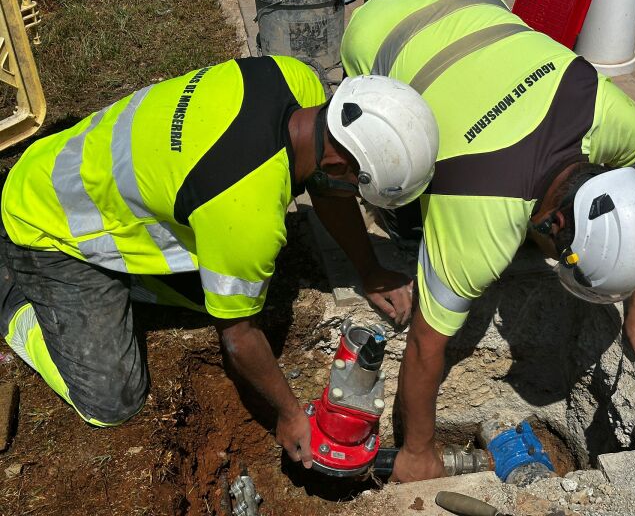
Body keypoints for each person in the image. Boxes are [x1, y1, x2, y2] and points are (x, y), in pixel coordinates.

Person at [338, 0, 635, 482]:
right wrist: (417, 449)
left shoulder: (606, 111)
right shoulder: (479, 215)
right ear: (554, 222)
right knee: (398, 180)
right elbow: (426, 345)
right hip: (375, 32)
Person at [0, 55, 439, 470]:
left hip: (72, 164)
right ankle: (13, 302)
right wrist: (288, 413)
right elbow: (238, 339)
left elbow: (327, 187)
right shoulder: (246, 214)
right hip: (49, 225)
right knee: (112, 402)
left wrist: (369, 270)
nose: (354, 199)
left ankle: (127, 282)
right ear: (338, 162)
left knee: (231, 285)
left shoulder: (295, 80)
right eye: (359, 188)